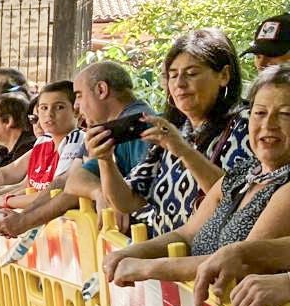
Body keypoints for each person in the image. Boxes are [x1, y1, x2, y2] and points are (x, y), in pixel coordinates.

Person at [103, 67, 290, 289]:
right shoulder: (244, 173)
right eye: (259, 113)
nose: (268, 124)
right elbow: (186, 234)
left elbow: (240, 262)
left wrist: (145, 268)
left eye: (286, 114)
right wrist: (130, 252)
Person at [93, 29, 248, 235]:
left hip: (203, 262)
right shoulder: (174, 128)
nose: (179, 84)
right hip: (163, 257)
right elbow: (127, 202)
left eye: (191, 73)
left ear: (224, 75)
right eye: (172, 75)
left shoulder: (247, 124)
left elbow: (237, 197)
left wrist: (183, 151)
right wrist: (105, 160)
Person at [0, 60, 155, 238]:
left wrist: (23, 219)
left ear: (102, 90)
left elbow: (141, 198)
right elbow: (73, 180)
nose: (76, 105)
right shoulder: (109, 128)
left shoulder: (140, 126)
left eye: (78, 95)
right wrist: (100, 192)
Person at [0, 81, 84, 212]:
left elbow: (52, 194)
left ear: (76, 111)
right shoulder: (43, 141)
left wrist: (5, 201)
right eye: (44, 108)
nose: (49, 114)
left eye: (59, 107)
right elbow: (25, 185)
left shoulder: (76, 140)